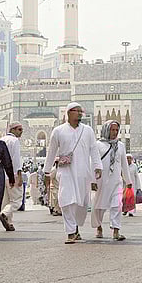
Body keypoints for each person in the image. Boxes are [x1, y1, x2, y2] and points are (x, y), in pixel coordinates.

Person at [44, 102, 103, 244]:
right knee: (66, 199)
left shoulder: (87, 130)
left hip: (83, 172)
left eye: (80, 111)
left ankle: (75, 226)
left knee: (81, 203)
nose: (79, 113)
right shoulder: (58, 131)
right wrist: (46, 172)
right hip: (65, 171)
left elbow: (93, 149)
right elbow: (51, 151)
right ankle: (70, 232)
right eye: (76, 111)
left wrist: (97, 166)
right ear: (69, 113)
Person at [91, 120, 132, 240]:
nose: (114, 133)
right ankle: (98, 227)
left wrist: (128, 181)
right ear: (106, 130)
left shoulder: (120, 146)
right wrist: (93, 180)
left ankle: (116, 230)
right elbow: (92, 163)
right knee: (99, 206)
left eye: (116, 130)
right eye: (112, 130)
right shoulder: (98, 145)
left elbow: (124, 165)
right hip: (102, 181)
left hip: (116, 181)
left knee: (117, 205)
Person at [0, 122, 24, 232]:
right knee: (16, 200)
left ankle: (9, 223)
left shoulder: (1, 140)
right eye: (19, 129)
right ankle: (5, 214)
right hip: (12, 174)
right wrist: (19, 175)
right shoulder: (15, 141)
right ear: (12, 130)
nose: (21, 132)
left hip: (1, 175)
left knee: (6, 200)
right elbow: (16, 160)